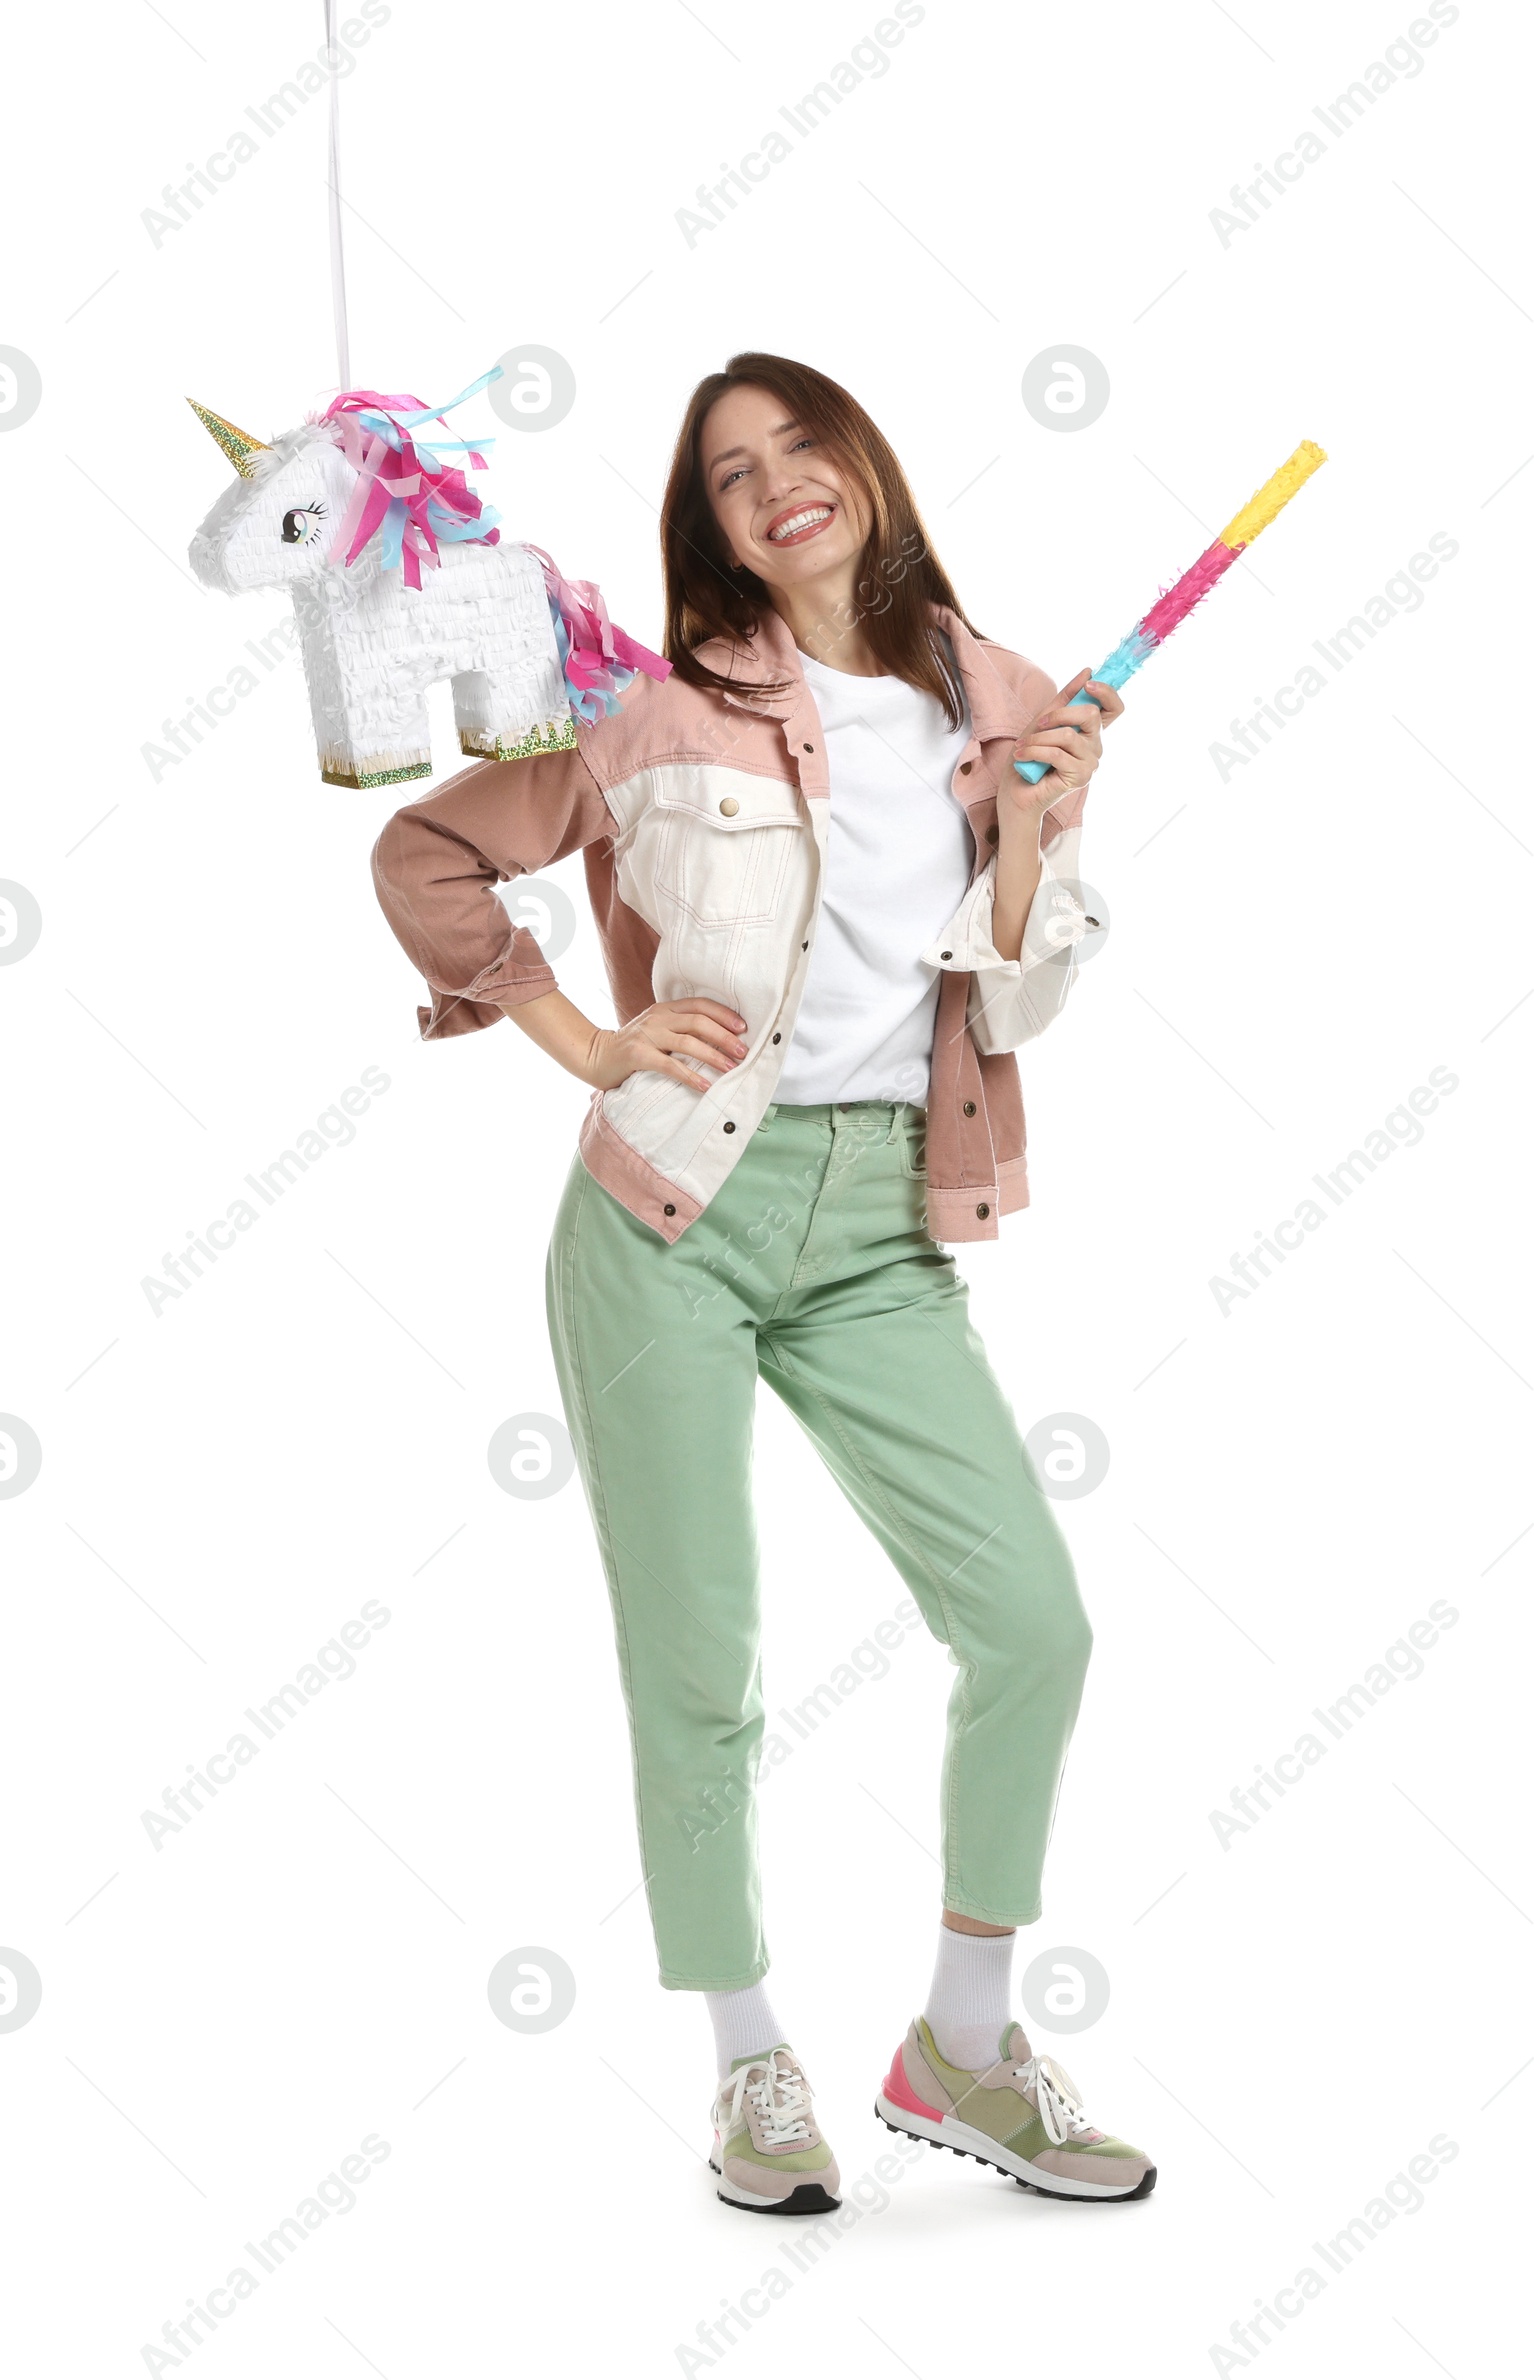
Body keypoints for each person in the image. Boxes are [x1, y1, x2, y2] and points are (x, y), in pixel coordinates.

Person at [371, 352, 1156, 2211]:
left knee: (1033, 1626)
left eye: (805, 448)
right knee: (701, 1657)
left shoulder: (1009, 701)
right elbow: (429, 852)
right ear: (708, 526)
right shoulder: (653, 714)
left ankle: (962, 2044)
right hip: (670, 1216)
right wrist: (580, 1035)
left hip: (887, 1222)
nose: (781, 488)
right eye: (735, 476)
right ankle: (750, 2070)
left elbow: (1020, 995)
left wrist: (1036, 821)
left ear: (868, 464)